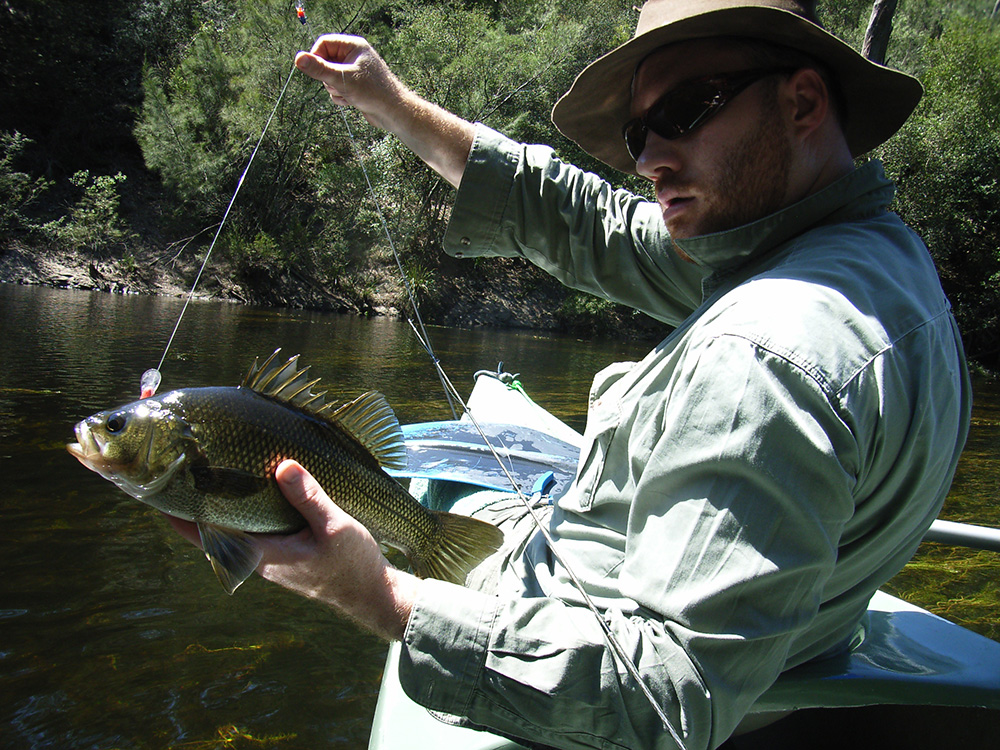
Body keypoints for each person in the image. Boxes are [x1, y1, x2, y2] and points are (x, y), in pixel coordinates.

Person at [169, 2, 971, 748]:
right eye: (637, 134)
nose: (651, 159)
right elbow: (594, 224)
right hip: (765, 635)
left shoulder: (765, 356)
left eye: (685, 111)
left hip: (589, 650)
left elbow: (663, 695)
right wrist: (391, 103)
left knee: (434, 501)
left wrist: (373, 595)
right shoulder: (855, 256)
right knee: (457, 493)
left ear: (801, 104)